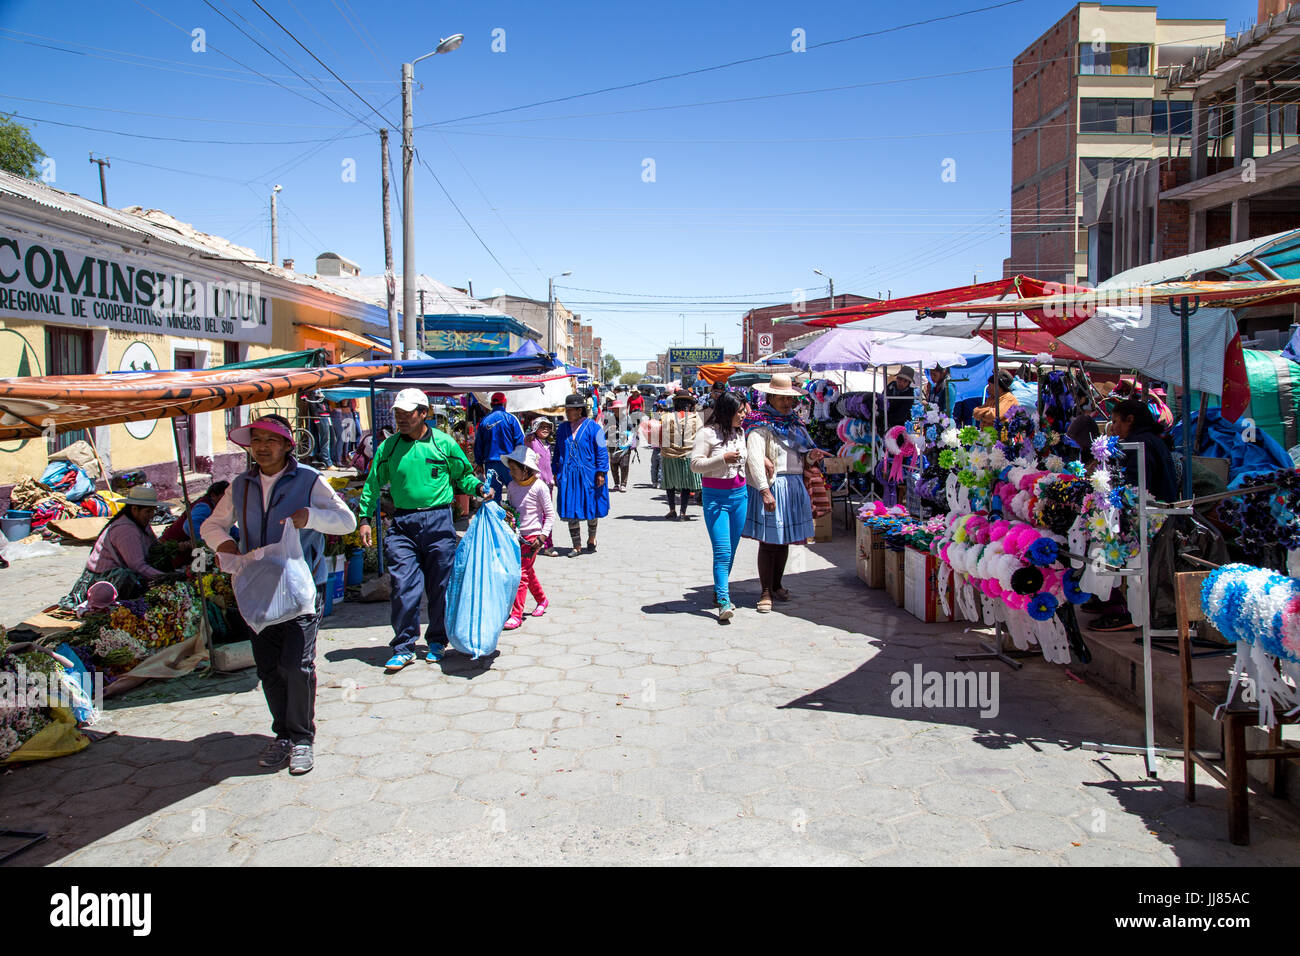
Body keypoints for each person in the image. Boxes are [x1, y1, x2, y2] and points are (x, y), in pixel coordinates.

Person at [202, 415, 357, 776]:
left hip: (300, 590)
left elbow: (346, 520)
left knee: (296, 665)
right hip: (258, 591)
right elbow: (212, 524)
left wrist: (311, 517)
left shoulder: (308, 480)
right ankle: (283, 735)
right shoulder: (241, 485)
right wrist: (223, 543)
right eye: (256, 439)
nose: (262, 446)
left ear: (289, 445)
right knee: (269, 667)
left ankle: (303, 738)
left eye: (271, 439)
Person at [357, 388, 488, 672]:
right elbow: (372, 485)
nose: (401, 419)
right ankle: (403, 646)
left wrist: (478, 487)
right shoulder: (388, 448)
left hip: (439, 522)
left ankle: (437, 641)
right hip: (403, 525)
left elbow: (463, 476)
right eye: (398, 414)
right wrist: (365, 518)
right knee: (403, 586)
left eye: (407, 414)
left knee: (440, 587)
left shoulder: (444, 444)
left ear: (423, 414)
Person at [743, 373, 826, 614]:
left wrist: (812, 456)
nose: (788, 404)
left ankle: (777, 584)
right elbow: (756, 459)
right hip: (772, 486)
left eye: (790, 399)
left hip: (794, 486)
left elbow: (802, 455)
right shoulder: (759, 423)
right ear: (771, 397)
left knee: (783, 540)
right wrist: (765, 491)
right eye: (782, 399)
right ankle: (765, 591)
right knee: (769, 542)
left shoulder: (795, 423)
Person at [59, 486, 170, 609]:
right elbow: (138, 566)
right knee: (132, 580)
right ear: (134, 509)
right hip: (104, 579)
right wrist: (165, 577)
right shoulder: (126, 530)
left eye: (152, 511)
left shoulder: (141, 524)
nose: (151, 515)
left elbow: (154, 547)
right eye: (148, 512)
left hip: (117, 574)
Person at [691, 391, 749, 623]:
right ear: (727, 412)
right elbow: (695, 465)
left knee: (731, 550)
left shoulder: (740, 432)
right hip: (716, 499)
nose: (744, 415)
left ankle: (718, 590)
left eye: (745, 411)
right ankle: (724, 601)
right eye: (740, 411)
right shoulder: (706, 434)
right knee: (722, 551)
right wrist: (722, 459)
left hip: (740, 497)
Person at [501, 445, 556, 630]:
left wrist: (542, 537)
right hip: (515, 536)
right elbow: (511, 507)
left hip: (533, 538)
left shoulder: (540, 487)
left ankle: (516, 615)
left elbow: (550, 514)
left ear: (526, 470)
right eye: (510, 469)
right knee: (528, 571)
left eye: (514, 470)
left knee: (521, 574)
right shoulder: (511, 486)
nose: (511, 473)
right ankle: (542, 600)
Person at [554, 392, 609, 555]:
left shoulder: (594, 428)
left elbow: (602, 451)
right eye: (566, 409)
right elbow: (557, 451)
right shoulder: (562, 428)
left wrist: (601, 472)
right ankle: (576, 545)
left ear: (579, 410)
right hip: (568, 474)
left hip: (589, 474)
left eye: (570, 409)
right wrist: (555, 471)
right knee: (571, 508)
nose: (567, 412)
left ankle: (592, 538)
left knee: (590, 506)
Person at [659, 390, 703, 520]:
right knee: (685, 484)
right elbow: (701, 437)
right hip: (688, 454)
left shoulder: (666, 417)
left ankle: (672, 510)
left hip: (669, 454)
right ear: (689, 404)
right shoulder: (696, 418)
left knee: (670, 483)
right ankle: (683, 513)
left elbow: (661, 436)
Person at [474, 392, 525, 502]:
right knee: (515, 495)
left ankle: (496, 519)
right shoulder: (511, 419)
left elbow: (478, 444)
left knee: (493, 496)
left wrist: (479, 463)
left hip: (490, 464)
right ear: (504, 403)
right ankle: (513, 518)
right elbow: (520, 442)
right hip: (510, 463)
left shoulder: (484, 421)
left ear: (491, 405)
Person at [525, 417, 558, 555]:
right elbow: (526, 441)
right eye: (541, 426)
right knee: (534, 514)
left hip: (547, 485)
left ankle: (547, 545)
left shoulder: (548, 444)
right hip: (535, 484)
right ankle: (533, 542)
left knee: (546, 514)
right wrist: (530, 435)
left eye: (547, 427)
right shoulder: (532, 441)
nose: (545, 429)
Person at [159, 480, 229, 545]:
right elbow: (189, 526)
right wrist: (208, 542)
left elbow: (228, 526)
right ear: (213, 495)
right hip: (174, 546)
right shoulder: (204, 507)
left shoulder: (219, 509)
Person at [640, 411, 663, 489]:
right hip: (662, 450)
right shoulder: (662, 426)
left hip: (655, 450)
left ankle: (654, 482)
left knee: (654, 467)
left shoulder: (653, 428)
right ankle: (659, 482)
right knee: (660, 467)